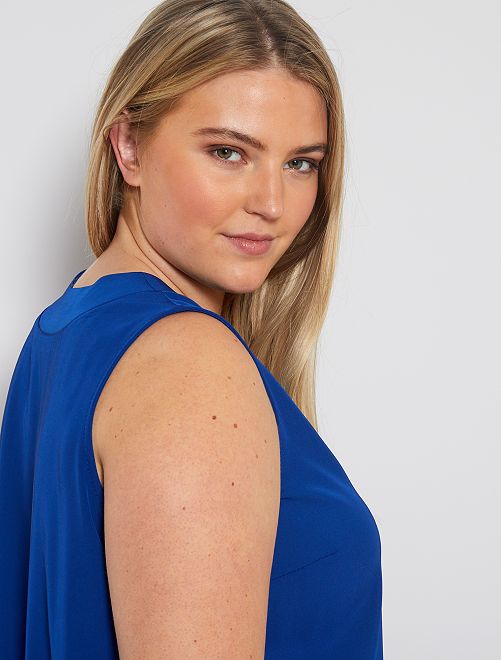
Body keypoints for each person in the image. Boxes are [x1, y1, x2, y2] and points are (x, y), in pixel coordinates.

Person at [0, 0, 384, 658]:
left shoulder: (65, 333)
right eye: (229, 152)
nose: (271, 203)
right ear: (129, 146)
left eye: (301, 163)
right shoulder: (186, 361)